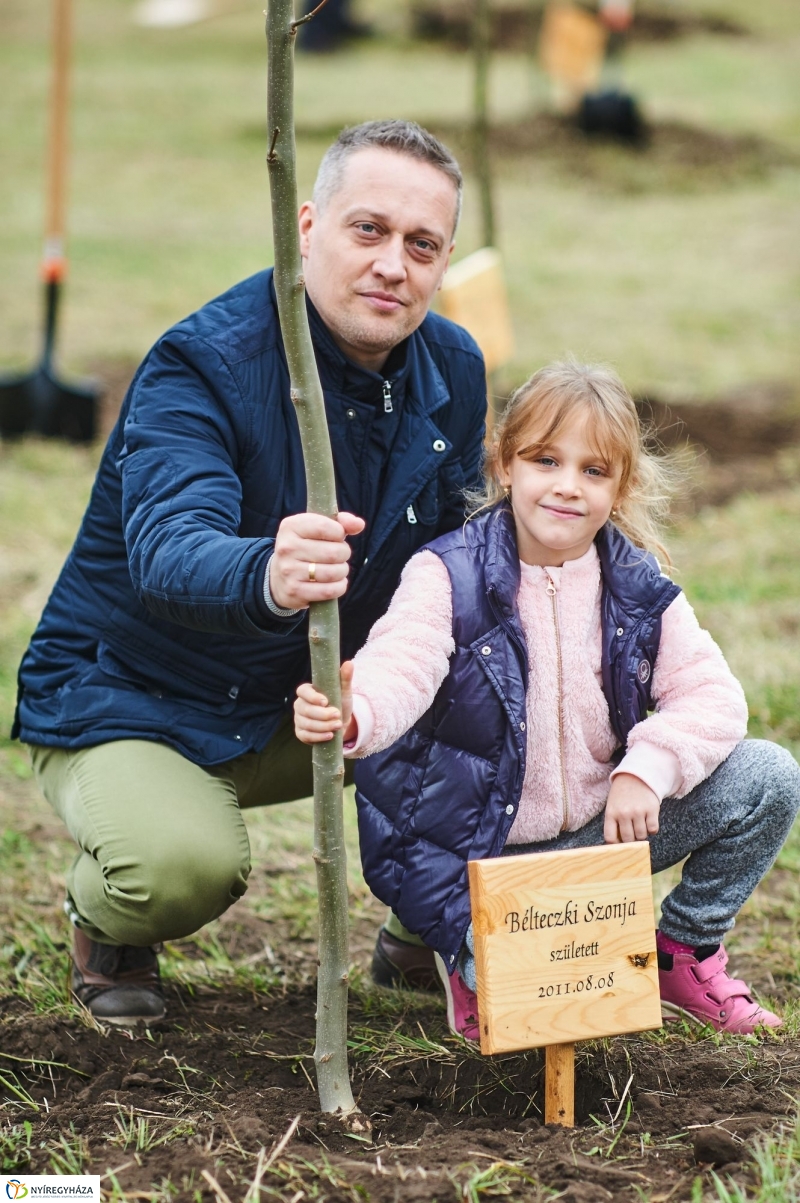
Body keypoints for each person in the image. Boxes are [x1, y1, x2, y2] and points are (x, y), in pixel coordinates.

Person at [13, 120, 487, 1025]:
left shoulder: (453, 369)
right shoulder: (203, 363)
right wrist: (269, 569)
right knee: (179, 867)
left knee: (519, 679)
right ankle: (108, 920)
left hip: (306, 702)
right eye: (368, 230)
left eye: (421, 244)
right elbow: (165, 548)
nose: (394, 263)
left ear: (445, 259)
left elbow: (456, 560)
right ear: (306, 226)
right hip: (137, 696)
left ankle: (429, 923)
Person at [295, 360, 800, 1037]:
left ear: (620, 488)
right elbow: (404, 663)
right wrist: (357, 709)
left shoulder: (635, 584)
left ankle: (682, 951)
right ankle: (464, 956)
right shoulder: (449, 574)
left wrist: (644, 770)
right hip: (479, 855)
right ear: (506, 464)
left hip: (596, 837)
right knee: (536, 1021)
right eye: (545, 460)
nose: (567, 486)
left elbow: (711, 695)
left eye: (594, 470)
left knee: (768, 776)